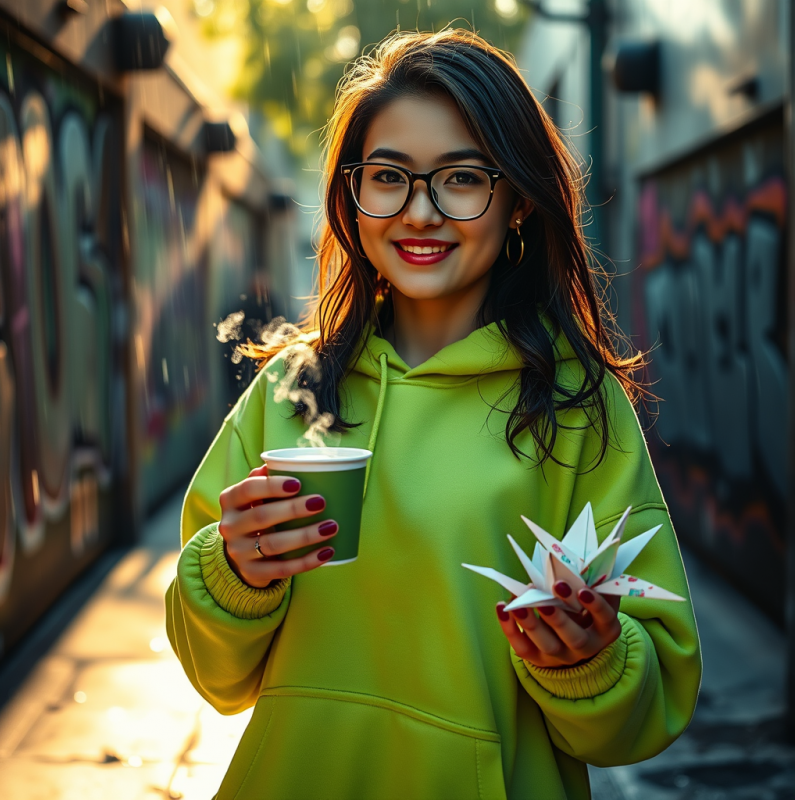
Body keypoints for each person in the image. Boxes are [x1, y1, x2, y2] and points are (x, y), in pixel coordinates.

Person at [165, 29, 701, 800]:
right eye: (388, 176)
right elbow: (216, 678)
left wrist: (591, 661)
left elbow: (642, 720)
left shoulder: (578, 406)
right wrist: (233, 573)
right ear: (353, 194)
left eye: (461, 178)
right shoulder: (292, 387)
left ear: (517, 198)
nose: (419, 212)